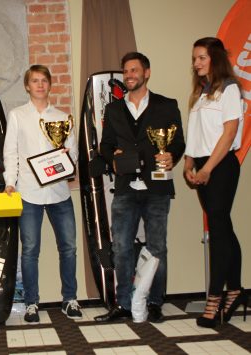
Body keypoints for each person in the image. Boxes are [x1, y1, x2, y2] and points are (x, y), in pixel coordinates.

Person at [95, 52, 185, 323]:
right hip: (124, 189)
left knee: (157, 247)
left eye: (134, 70)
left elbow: (178, 142)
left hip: (157, 188)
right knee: (121, 248)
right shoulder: (112, 110)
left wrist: (171, 155)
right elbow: (105, 146)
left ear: (147, 72)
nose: (129, 75)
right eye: (126, 71)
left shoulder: (167, 105)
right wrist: (113, 158)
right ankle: (122, 305)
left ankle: (155, 302)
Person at [3, 64, 82, 324]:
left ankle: (70, 299)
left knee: (69, 248)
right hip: (27, 192)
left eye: (44, 81)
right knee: (30, 250)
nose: (39, 85)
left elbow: (72, 152)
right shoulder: (17, 115)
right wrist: (10, 182)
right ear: (27, 86)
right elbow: (11, 152)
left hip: (58, 191)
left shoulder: (62, 117)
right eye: (34, 81)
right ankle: (31, 303)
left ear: (49, 85)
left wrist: (67, 162)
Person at [184, 37, 245, 328]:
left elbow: (229, 133)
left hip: (221, 166)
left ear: (215, 59)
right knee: (222, 227)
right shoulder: (201, 92)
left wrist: (207, 168)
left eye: (201, 58)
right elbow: (194, 133)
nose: (196, 62)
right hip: (202, 165)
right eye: (194, 58)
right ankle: (235, 289)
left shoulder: (230, 89)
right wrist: (188, 162)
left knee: (218, 229)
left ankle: (215, 298)